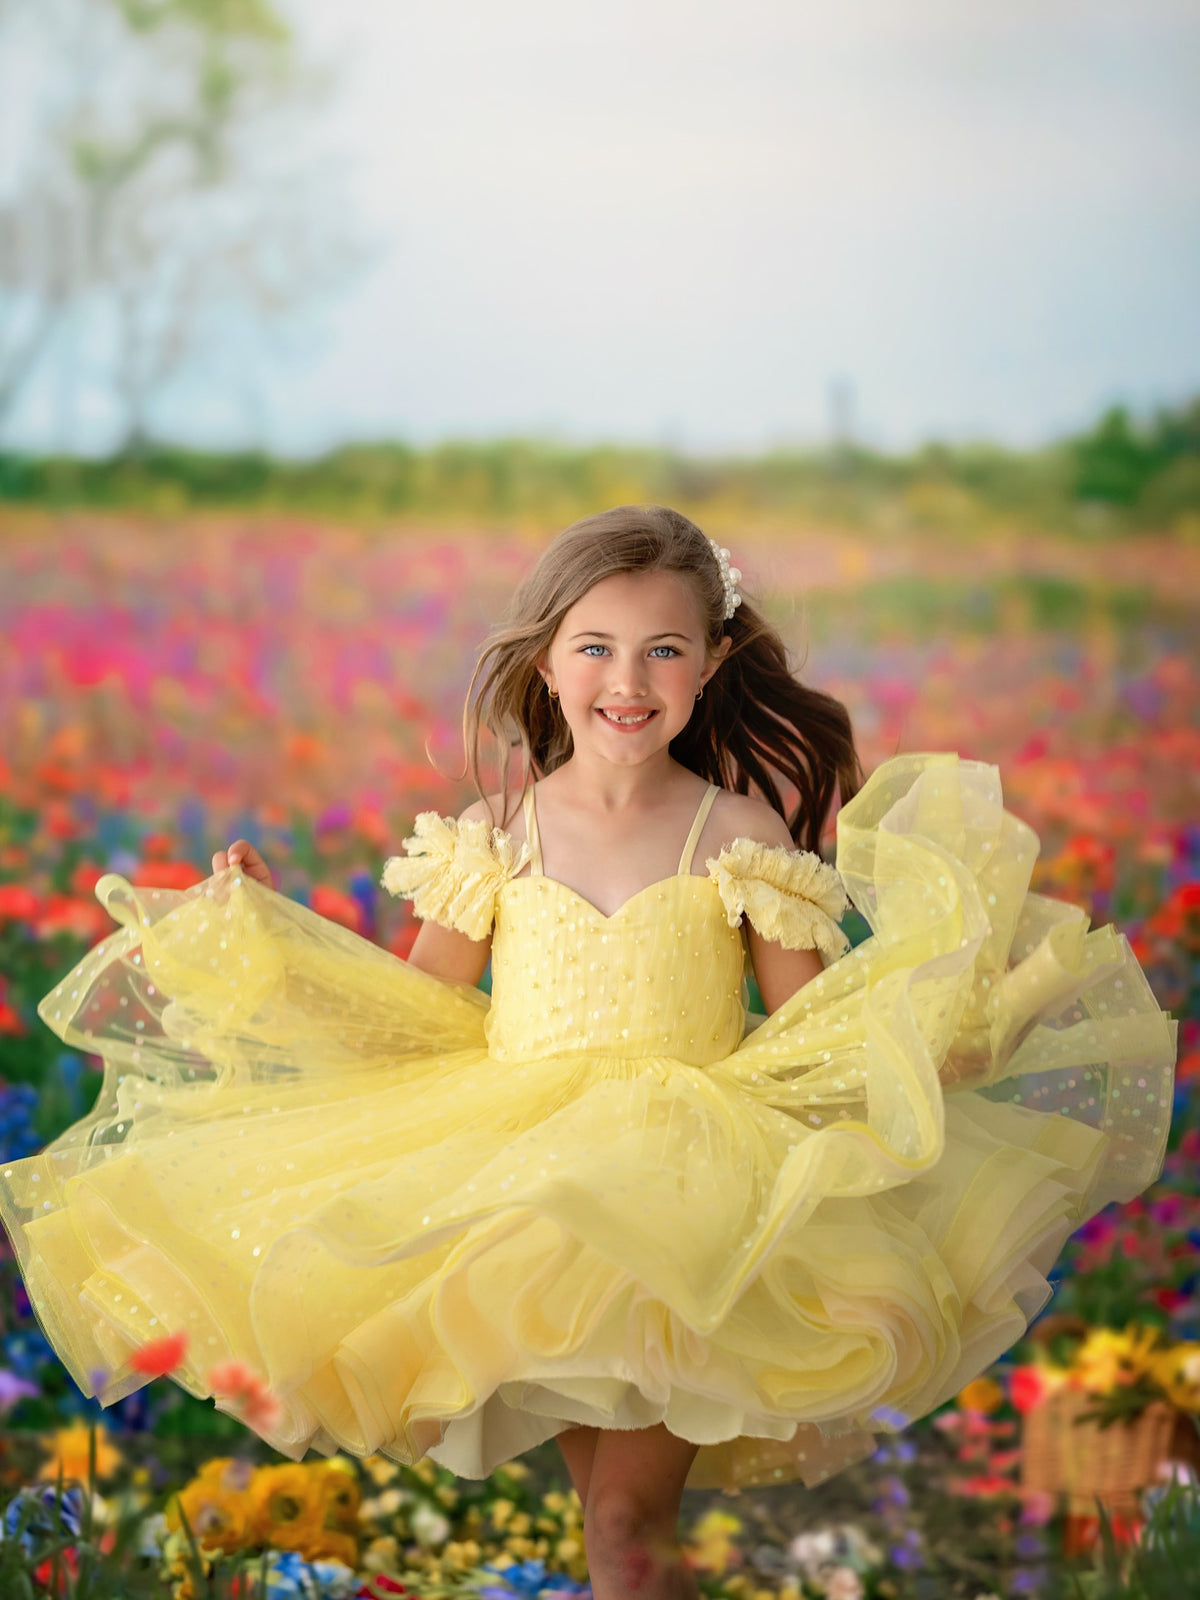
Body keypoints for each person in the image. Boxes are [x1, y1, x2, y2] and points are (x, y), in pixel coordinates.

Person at [1, 505, 1177, 1600]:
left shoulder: (742, 835)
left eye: (664, 650)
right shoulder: (494, 839)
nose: (628, 680)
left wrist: (945, 1030)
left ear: (712, 662)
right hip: (535, 1204)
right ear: (549, 661)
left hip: (694, 1201)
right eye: (597, 647)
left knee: (626, 1526)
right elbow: (408, 1012)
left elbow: (810, 1027)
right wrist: (275, 946)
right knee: (616, 1527)